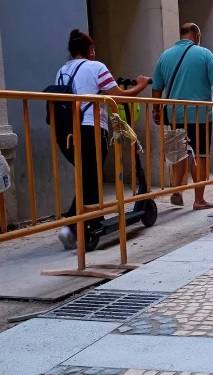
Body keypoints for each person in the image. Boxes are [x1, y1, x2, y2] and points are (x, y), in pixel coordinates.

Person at [56, 29, 151, 249]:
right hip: (91, 128)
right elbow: (118, 95)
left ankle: (85, 219)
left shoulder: (62, 70)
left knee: (88, 175)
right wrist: (141, 84)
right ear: (90, 50)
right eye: (93, 49)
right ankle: (70, 226)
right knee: (92, 176)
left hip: (66, 132)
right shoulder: (96, 67)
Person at [152, 22, 213, 210]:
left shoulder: (165, 56)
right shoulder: (204, 54)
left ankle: (177, 190)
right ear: (195, 34)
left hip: (174, 114)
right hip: (200, 114)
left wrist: (156, 109)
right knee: (200, 155)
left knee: (179, 153)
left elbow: (156, 87)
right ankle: (199, 199)